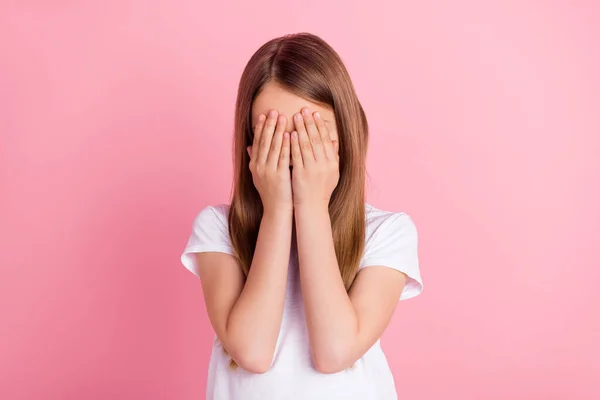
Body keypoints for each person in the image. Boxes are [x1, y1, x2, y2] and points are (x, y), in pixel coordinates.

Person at [181, 32, 423, 400]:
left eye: (310, 133)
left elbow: (335, 352)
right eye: (273, 134)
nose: (293, 150)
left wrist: (311, 206)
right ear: (249, 144)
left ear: (345, 134)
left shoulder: (387, 233)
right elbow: (252, 351)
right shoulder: (218, 229)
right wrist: (278, 208)